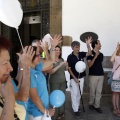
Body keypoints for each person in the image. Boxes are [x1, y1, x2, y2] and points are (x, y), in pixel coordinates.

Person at [27, 34, 62, 120]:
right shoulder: (29, 74)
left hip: (43, 111)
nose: (40, 56)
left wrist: (53, 46)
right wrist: (46, 112)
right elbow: (34, 98)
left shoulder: (37, 68)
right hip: (36, 114)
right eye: (38, 55)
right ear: (31, 57)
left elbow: (51, 61)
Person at [0, 36, 35, 120]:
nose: (11, 68)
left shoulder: (4, 85)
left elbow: (23, 97)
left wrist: (26, 67)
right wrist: (9, 99)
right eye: (5, 63)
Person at [67, 37, 92, 118]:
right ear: (72, 48)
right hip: (74, 78)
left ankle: (76, 106)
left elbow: (89, 53)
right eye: (76, 47)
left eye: (79, 47)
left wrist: (88, 45)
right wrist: (74, 78)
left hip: (81, 77)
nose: (78, 48)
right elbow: (69, 69)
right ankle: (75, 110)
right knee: (74, 94)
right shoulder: (70, 57)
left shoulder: (81, 54)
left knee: (80, 93)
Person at [49, 45, 68, 120]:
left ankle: (61, 113)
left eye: (59, 50)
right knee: (54, 98)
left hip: (62, 82)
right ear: (53, 51)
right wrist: (59, 65)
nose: (58, 51)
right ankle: (54, 115)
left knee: (62, 97)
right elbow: (51, 72)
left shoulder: (61, 59)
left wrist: (66, 66)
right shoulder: (51, 60)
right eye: (56, 50)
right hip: (54, 82)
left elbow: (65, 69)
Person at [87, 40, 104, 113]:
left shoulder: (102, 54)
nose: (100, 45)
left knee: (99, 92)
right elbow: (89, 65)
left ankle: (97, 105)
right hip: (93, 75)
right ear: (95, 45)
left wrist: (98, 55)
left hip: (101, 75)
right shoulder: (89, 54)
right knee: (92, 91)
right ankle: (91, 103)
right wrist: (95, 56)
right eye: (99, 44)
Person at [110, 42, 120, 116]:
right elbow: (111, 60)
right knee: (114, 94)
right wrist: (116, 48)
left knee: (118, 94)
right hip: (116, 78)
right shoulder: (116, 57)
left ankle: (118, 108)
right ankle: (114, 108)